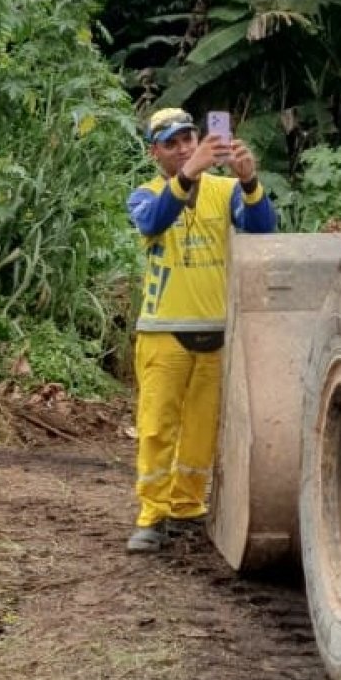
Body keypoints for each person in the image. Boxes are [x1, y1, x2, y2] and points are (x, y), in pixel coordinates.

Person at [125, 107, 277, 554]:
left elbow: (262, 230)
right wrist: (188, 175)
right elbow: (154, 221)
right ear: (156, 153)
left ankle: (188, 508)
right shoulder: (145, 194)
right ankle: (151, 515)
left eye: (189, 138)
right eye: (171, 143)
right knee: (156, 429)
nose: (184, 147)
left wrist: (249, 182)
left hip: (216, 331)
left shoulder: (227, 191)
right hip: (163, 330)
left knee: (201, 430)